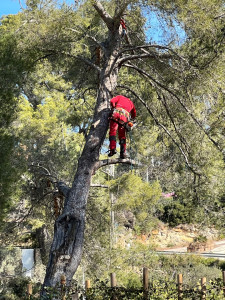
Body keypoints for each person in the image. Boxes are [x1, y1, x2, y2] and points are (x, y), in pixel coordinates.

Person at [108, 95, 136, 159]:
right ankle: (123, 153)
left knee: (112, 132)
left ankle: (112, 149)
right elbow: (134, 114)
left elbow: (112, 101)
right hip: (124, 119)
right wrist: (132, 119)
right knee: (122, 136)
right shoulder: (131, 103)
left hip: (116, 115)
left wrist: (113, 108)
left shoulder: (120, 97)